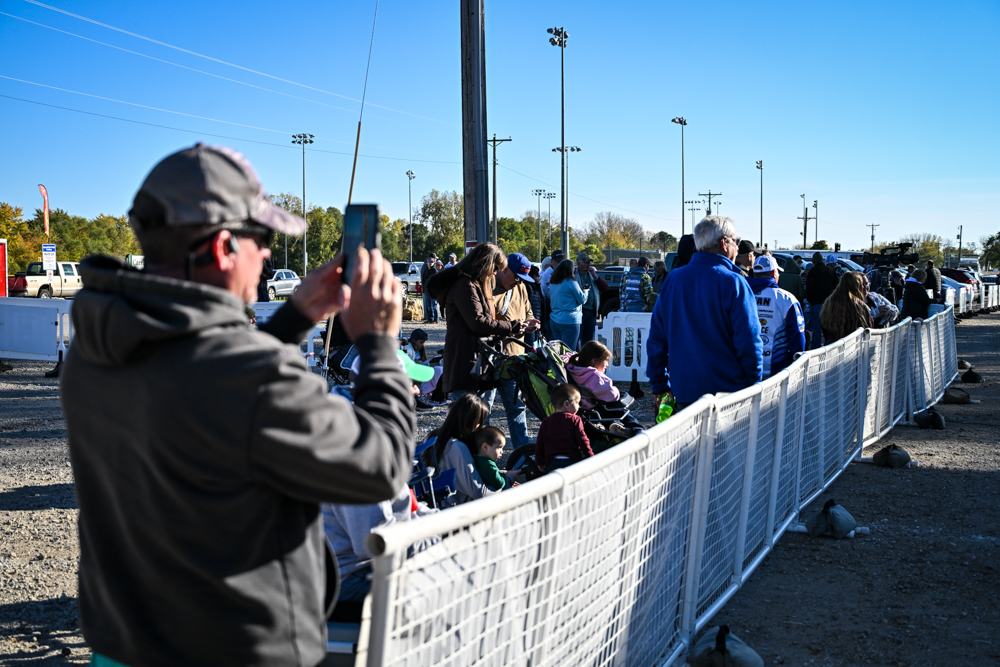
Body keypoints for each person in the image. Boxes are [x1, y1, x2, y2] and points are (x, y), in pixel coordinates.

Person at [61, 143, 414, 667]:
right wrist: (380, 343)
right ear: (224, 247)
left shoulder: (95, 348)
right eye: (263, 238)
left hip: (123, 645)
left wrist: (295, 318)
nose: (268, 255)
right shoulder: (246, 375)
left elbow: (203, 382)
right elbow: (380, 465)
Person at [647, 216, 762, 411]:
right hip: (729, 398)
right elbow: (749, 343)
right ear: (724, 243)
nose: (737, 248)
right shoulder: (734, 282)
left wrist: (659, 386)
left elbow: (657, 339)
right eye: (737, 242)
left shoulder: (674, 279)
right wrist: (753, 387)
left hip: (684, 394)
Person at [424, 243, 535, 402]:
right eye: (495, 268)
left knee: (478, 412)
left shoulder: (473, 283)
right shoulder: (464, 284)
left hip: (474, 356)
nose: (495, 273)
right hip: (465, 358)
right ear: (485, 264)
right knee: (466, 412)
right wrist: (512, 326)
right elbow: (478, 322)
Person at [322, 486, 438, 605]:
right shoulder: (363, 481)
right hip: (352, 575)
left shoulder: (385, 477)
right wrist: (436, 542)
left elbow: (412, 509)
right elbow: (376, 546)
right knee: (438, 583)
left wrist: (443, 522)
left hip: (375, 565)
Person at [486, 252, 540, 449]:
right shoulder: (486, 286)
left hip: (514, 359)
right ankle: (483, 457)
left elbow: (528, 313)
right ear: (504, 268)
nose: (518, 282)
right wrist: (511, 326)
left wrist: (531, 323)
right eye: (516, 277)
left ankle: (522, 455)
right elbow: (482, 322)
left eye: (521, 279)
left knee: (517, 408)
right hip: (490, 359)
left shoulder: (521, 287)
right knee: (484, 410)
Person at [433, 393, 499, 503]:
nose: (479, 427)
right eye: (479, 423)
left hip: (434, 502)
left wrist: (502, 474)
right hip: (455, 506)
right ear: (472, 422)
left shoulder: (433, 436)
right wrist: (507, 483)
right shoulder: (457, 447)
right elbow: (479, 493)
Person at [748, 256, 806, 378]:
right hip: (778, 371)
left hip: (747, 369)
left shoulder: (741, 294)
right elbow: (797, 336)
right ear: (774, 273)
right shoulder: (787, 299)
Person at [534, 383, 593, 474]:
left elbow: (540, 444)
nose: (579, 406)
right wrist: (590, 456)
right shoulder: (575, 420)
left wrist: (540, 462)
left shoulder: (546, 422)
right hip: (571, 461)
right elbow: (582, 440)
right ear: (566, 404)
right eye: (577, 403)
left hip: (552, 462)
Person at [820, 272, 873, 343]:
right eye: (862, 285)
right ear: (857, 286)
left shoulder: (829, 302)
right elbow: (868, 326)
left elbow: (824, 326)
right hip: (853, 345)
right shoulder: (858, 304)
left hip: (833, 344)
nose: (864, 287)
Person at [563, 341, 619, 408]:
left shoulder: (571, 368)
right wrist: (616, 390)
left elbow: (567, 356)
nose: (607, 365)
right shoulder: (595, 377)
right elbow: (613, 395)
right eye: (606, 360)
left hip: (578, 403)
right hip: (591, 407)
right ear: (594, 361)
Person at [548, 258, 587, 349]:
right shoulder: (571, 282)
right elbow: (582, 300)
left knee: (557, 350)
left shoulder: (553, 282)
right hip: (569, 320)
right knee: (568, 351)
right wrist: (585, 291)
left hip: (554, 319)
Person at [803, 251, 838, 349]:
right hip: (830, 304)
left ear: (813, 262)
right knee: (829, 328)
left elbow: (809, 289)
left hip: (817, 303)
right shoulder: (831, 270)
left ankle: (816, 349)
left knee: (817, 329)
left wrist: (810, 300)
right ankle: (830, 347)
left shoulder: (813, 271)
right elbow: (837, 286)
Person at [472, 425, 520, 491]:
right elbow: (500, 483)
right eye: (499, 447)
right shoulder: (488, 465)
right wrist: (508, 477)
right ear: (485, 447)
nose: (502, 451)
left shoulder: (476, 458)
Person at [576, 252, 608, 346]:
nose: (588, 265)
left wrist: (595, 276)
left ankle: (587, 354)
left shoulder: (592, 275)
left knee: (589, 340)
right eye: (586, 262)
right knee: (577, 338)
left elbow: (604, 287)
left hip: (592, 312)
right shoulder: (573, 275)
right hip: (580, 311)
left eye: (589, 262)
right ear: (579, 263)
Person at [420, 254, 438, 323]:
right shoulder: (426, 271)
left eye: (431, 262)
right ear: (427, 263)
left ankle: (436, 319)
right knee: (428, 305)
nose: (430, 263)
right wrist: (424, 288)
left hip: (433, 290)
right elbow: (424, 280)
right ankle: (430, 318)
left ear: (433, 263)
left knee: (434, 304)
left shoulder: (435, 271)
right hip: (427, 290)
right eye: (429, 262)